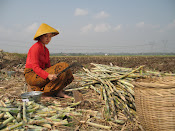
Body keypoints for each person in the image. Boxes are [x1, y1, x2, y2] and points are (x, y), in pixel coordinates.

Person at [24, 23, 74, 98]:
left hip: (41, 72)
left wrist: (53, 75)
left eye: (50, 36)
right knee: (63, 66)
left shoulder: (46, 50)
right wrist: (48, 75)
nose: (48, 39)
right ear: (40, 37)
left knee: (66, 72)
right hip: (32, 74)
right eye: (46, 36)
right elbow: (35, 67)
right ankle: (43, 94)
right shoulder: (35, 48)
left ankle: (58, 91)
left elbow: (48, 67)